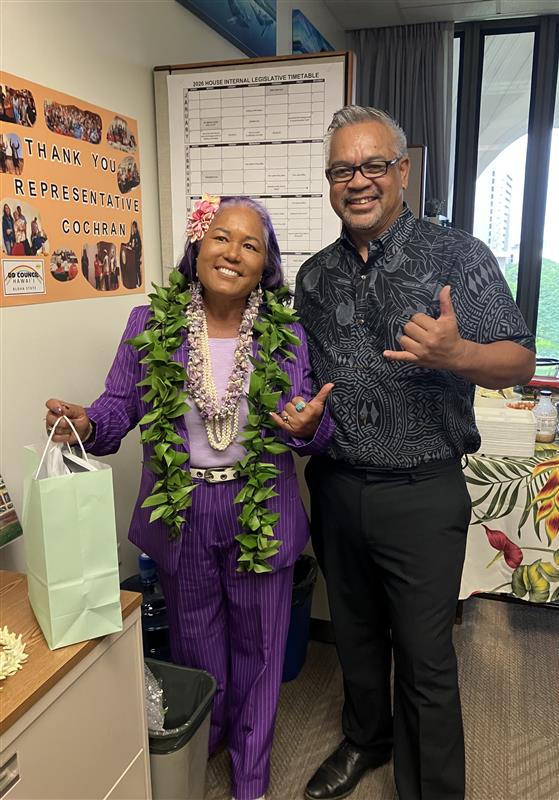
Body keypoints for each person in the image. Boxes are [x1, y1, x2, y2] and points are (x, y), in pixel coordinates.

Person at [45, 195, 334, 800]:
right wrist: (88, 426)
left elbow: (311, 418)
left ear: (267, 265)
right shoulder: (151, 325)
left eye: (250, 245)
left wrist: (311, 429)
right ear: (198, 246)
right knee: (198, 646)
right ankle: (208, 746)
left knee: (259, 652)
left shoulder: (288, 337)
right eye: (221, 237)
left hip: (262, 511)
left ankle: (251, 778)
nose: (232, 252)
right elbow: (119, 405)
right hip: (183, 512)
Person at [295, 106, 536, 800]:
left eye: (374, 165)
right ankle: (366, 738)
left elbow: (518, 359)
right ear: (330, 181)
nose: (359, 182)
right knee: (357, 636)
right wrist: (295, 415)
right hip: (337, 485)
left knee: (427, 658)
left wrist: (458, 353)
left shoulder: (458, 257)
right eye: (344, 169)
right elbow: (300, 379)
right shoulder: (312, 279)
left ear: (402, 171)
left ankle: (431, 788)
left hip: (423, 490)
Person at [127, 219, 142, 287]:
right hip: (132, 256)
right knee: (135, 270)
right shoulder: (132, 236)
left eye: (133, 227)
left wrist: (133, 248)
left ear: (135, 227)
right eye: (132, 227)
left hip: (137, 256)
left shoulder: (137, 236)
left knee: (138, 270)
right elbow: (129, 243)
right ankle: (135, 282)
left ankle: (140, 282)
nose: (132, 228)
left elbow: (139, 246)